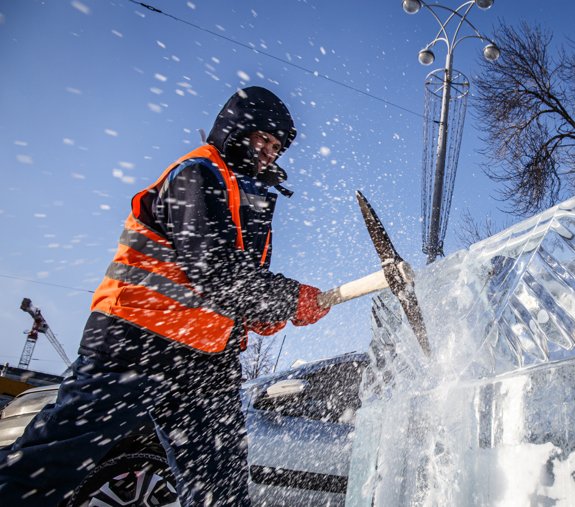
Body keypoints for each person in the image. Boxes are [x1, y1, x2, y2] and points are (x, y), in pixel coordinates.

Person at [0, 86, 330, 506]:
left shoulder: (249, 199)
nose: (269, 152)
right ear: (236, 130)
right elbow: (212, 268)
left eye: (276, 146)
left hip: (205, 358)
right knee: (57, 460)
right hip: (136, 341)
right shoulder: (197, 175)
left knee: (221, 483)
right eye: (262, 138)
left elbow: (236, 284)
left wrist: (262, 314)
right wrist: (288, 297)